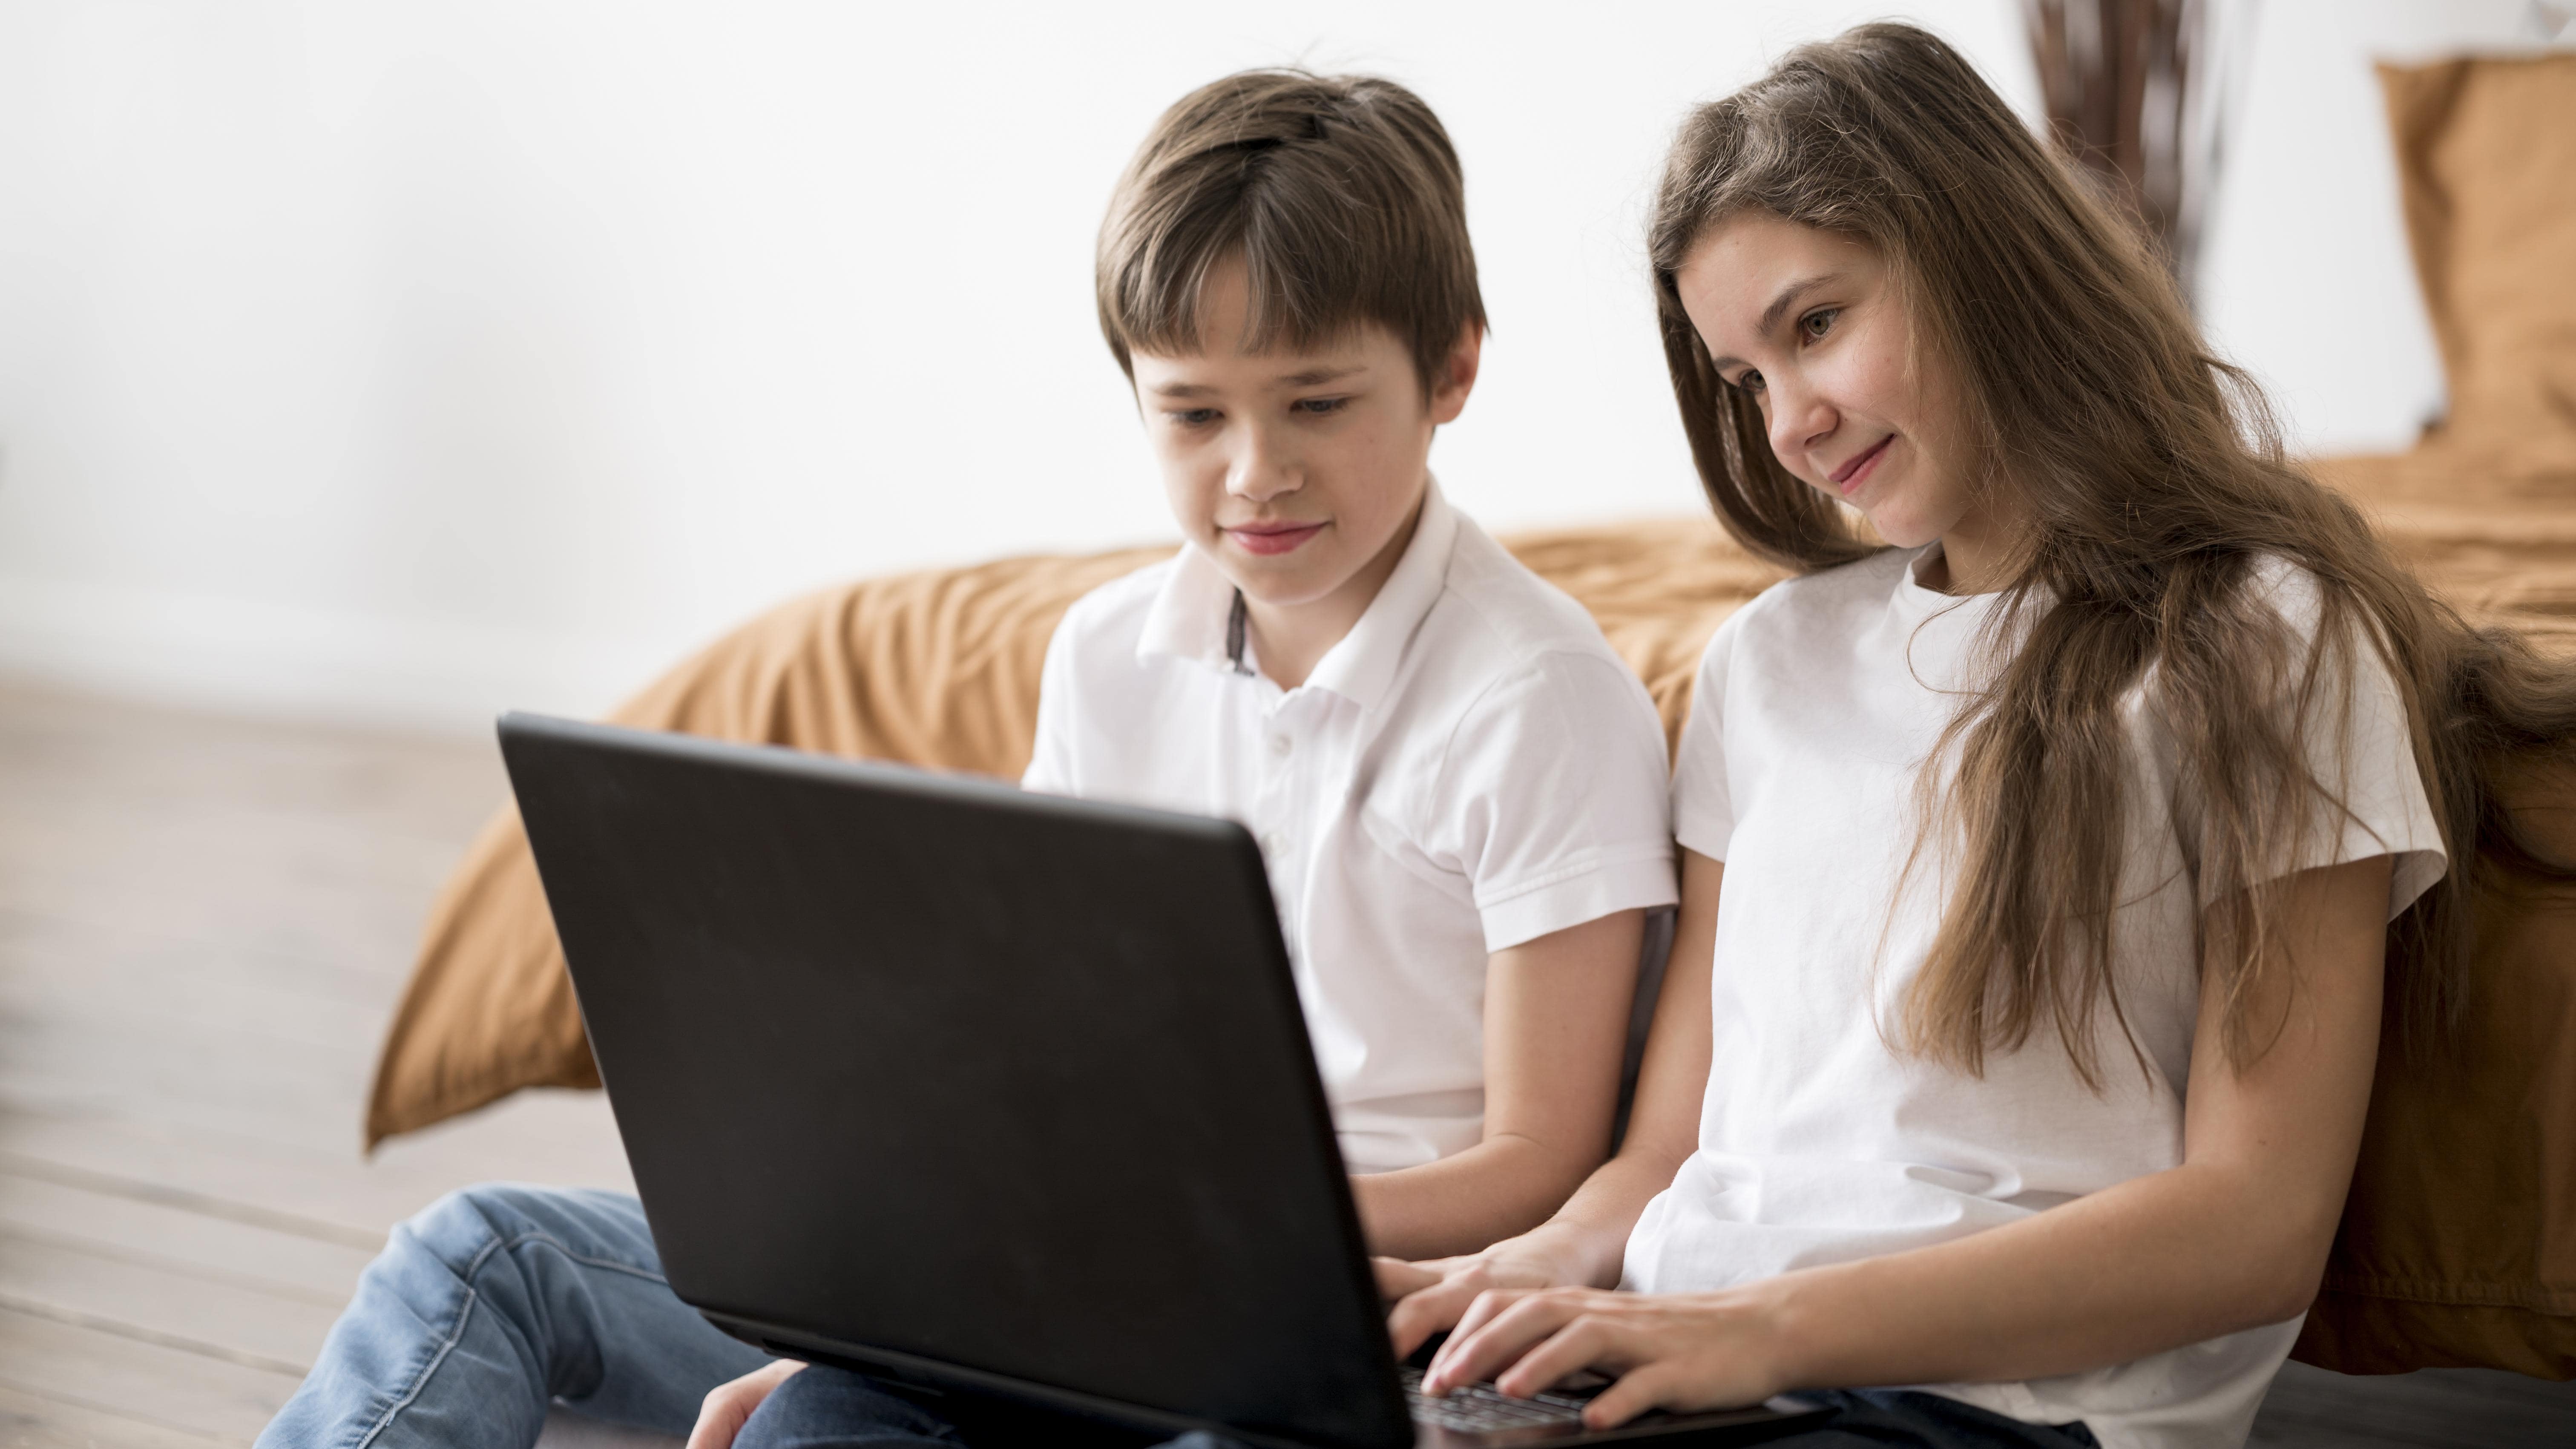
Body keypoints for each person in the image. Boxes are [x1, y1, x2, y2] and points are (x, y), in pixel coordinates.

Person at [258, 69, 1682, 1449]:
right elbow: (1040, 1062)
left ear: (1452, 371)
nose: (1255, 470)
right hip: (1050, 1279)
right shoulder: (1108, 653)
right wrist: (920, 1265)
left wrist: (1186, 1238)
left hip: (1339, 1313)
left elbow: (1542, 1163)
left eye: (1316, 403)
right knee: (502, 1256)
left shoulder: (1542, 699)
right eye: (1193, 412)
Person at [1369, 22, 2576, 1449]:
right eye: (1746, 377)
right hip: (1692, 1366)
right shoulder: (1768, 657)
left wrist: (1754, 1330)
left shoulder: (2262, 637)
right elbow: (1670, 1151)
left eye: (1816, 325)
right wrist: (1514, 1274)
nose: (1792, 426)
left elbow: (2254, 1225)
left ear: (1977, 256)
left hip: (1979, 1410)